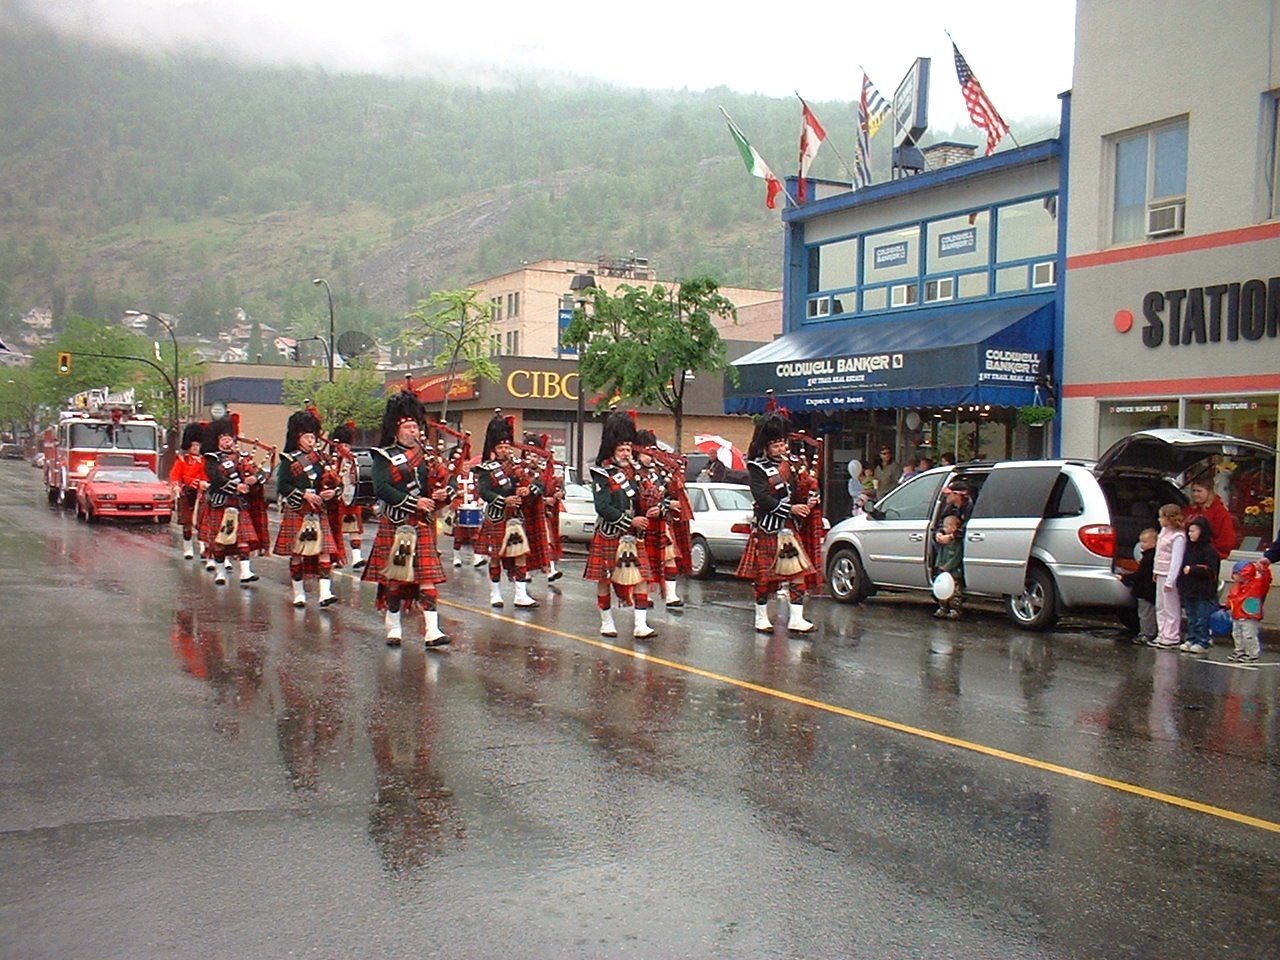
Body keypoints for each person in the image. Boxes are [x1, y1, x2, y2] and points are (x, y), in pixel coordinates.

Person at [361, 390, 453, 647]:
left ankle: (432, 631)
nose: (414, 431)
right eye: (408, 427)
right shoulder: (384, 456)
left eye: (416, 426)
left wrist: (445, 492)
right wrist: (414, 502)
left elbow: (445, 483)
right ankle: (393, 625)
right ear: (396, 430)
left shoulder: (428, 456)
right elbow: (381, 488)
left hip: (421, 525)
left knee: (427, 578)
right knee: (395, 580)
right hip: (397, 524)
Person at [736, 410, 816, 634]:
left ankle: (797, 619)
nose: (782, 449)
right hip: (768, 527)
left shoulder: (791, 464)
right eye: (776, 446)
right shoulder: (757, 467)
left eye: (783, 444)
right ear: (766, 446)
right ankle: (761, 617)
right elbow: (762, 498)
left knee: (797, 574)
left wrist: (809, 497)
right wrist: (789, 509)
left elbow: (798, 490)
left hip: (790, 528)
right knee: (764, 578)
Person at [585, 410, 657, 638]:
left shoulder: (637, 473)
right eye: (622, 450)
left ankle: (640, 625)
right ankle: (606, 622)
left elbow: (642, 500)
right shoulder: (601, 473)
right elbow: (602, 507)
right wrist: (629, 520)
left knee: (642, 578)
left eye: (629, 449)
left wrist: (654, 507)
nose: (626, 453)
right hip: (609, 533)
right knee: (605, 578)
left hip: (633, 536)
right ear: (612, 450)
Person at [273, 410, 343, 609]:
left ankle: (324, 593)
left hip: (318, 510)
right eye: (307, 437)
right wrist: (304, 494)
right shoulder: (289, 459)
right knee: (297, 553)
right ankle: (299, 593)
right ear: (298, 438)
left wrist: (332, 492)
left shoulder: (321, 459)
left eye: (313, 436)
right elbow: (283, 486)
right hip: (298, 509)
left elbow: (333, 483)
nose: (311, 441)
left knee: (325, 552)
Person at [475, 411, 541, 610]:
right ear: (494, 448)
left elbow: (538, 486)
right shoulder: (486, 468)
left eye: (506, 446)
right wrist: (504, 500)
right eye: (501, 447)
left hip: (515, 518)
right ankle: (495, 592)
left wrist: (528, 489)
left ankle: (520, 594)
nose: (504, 450)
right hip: (496, 517)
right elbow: (484, 491)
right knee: (495, 555)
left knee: (519, 554)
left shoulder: (519, 466)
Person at [202, 416, 266, 587]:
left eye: (229, 438)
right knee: (220, 541)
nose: (227, 441)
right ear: (217, 441)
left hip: (239, 503)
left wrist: (255, 480)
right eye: (223, 438)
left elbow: (258, 474)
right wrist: (236, 487)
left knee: (243, 539)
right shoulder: (212, 458)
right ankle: (220, 572)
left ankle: (245, 572)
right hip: (221, 502)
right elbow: (214, 478)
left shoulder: (242, 457)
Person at [1177, 516, 1219, 655]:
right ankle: (1191, 638)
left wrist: (1193, 570)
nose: (1190, 534)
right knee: (1191, 616)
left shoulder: (1209, 550)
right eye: (1189, 531)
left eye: (1194, 531)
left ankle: (1202, 640)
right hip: (1189, 589)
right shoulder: (1189, 549)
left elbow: (1211, 571)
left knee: (1202, 617)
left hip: (1203, 591)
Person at [327, 421, 366, 570]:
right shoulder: (332, 458)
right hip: (336, 497)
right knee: (335, 528)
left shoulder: (351, 457)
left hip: (350, 495)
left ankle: (357, 557)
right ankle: (337, 557)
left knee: (353, 527)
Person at [1149, 503, 1187, 649]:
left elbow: (1176, 559)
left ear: (1168, 518)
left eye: (1161, 517)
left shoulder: (1178, 536)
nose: (1159, 520)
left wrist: (1171, 580)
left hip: (1169, 574)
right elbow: (1158, 553)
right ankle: (1162, 633)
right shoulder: (1164, 531)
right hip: (1160, 572)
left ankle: (1171, 635)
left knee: (1171, 606)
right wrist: (1155, 570)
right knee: (1160, 605)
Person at [169, 422, 207, 560]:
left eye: (198, 445)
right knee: (187, 524)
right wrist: (176, 486)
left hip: (201, 494)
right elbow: (175, 475)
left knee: (203, 524)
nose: (196, 448)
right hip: (187, 493)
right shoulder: (182, 460)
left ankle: (204, 549)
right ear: (189, 446)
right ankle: (188, 548)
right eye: (194, 445)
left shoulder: (205, 461)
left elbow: (206, 475)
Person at [1225, 558, 1271, 663]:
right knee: (1237, 634)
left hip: (1249, 615)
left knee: (1249, 635)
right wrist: (1227, 606)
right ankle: (1239, 651)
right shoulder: (1236, 587)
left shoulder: (1256, 585)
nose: (1233, 576)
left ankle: (1252, 654)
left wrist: (1264, 570)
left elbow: (1266, 580)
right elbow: (1232, 598)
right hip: (1237, 615)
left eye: (1236, 573)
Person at [1121, 528, 1158, 645]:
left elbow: (1141, 574)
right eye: (1141, 541)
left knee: (1145, 614)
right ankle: (1149, 632)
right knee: (1148, 613)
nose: (1142, 545)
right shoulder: (1150, 556)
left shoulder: (1149, 558)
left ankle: (1147, 634)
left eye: (1145, 542)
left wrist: (1125, 577)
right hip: (1147, 590)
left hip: (1145, 591)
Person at [1184, 477, 1237, 560]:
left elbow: (1226, 540)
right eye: (1193, 491)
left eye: (1199, 491)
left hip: (1207, 558)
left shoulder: (1220, 513)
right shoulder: (1189, 510)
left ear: (1209, 492)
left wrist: (1210, 554)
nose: (1195, 494)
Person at [931, 514, 964, 619]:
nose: (944, 529)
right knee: (942, 591)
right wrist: (939, 564)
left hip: (954, 572)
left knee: (955, 592)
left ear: (953, 528)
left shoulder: (957, 542)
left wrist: (947, 566)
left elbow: (957, 557)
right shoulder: (944, 542)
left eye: (946, 527)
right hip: (943, 571)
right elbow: (940, 553)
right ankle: (943, 608)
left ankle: (955, 609)